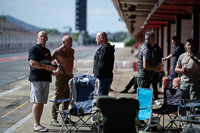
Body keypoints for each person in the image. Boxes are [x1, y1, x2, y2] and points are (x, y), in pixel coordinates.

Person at [28, 31, 56, 132]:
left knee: (41, 102)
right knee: (37, 102)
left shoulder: (47, 51)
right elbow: (33, 63)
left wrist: (53, 71)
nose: (43, 38)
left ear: (47, 38)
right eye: (41, 36)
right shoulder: (34, 49)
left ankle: (38, 124)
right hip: (37, 79)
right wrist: (48, 67)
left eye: (44, 36)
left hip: (45, 79)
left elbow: (48, 64)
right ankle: (36, 125)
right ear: (37, 38)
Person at [50, 35, 75, 126]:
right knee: (58, 96)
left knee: (68, 97)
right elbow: (49, 60)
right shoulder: (58, 51)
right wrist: (54, 71)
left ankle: (65, 118)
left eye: (71, 41)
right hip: (61, 77)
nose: (71, 43)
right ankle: (54, 118)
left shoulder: (72, 51)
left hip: (70, 76)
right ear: (64, 42)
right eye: (69, 42)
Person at [93, 32, 115, 96]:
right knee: (103, 98)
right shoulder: (105, 48)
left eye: (96, 38)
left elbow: (102, 64)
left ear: (101, 38)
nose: (95, 40)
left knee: (102, 99)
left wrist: (97, 76)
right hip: (104, 77)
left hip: (103, 78)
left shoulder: (105, 49)